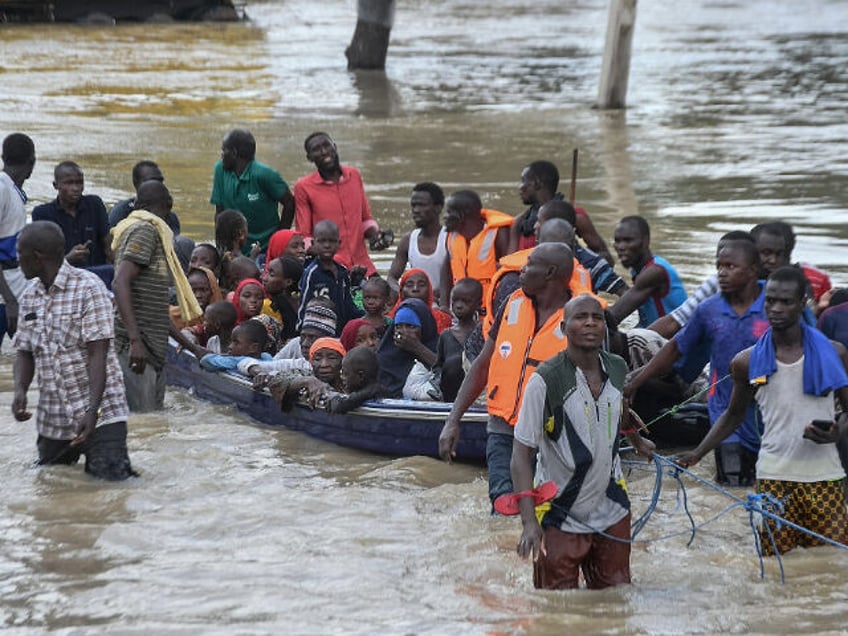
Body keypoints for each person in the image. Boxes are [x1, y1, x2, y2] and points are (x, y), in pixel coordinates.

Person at [676, 266, 848, 555]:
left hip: (824, 475)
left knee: (832, 562)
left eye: (786, 302)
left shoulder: (835, 353)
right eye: (771, 301)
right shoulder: (746, 362)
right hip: (773, 476)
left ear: (803, 301)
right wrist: (697, 454)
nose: (776, 309)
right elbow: (733, 415)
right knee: (775, 562)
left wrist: (836, 433)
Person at [511, 294, 654, 589]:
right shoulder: (545, 380)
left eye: (597, 317)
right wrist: (528, 523)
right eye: (580, 317)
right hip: (559, 510)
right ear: (564, 328)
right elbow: (520, 455)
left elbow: (619, 411)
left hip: (612, 505)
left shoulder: (616, 367)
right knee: (557, 604)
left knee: (615, 597)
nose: (590, 322)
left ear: (605, 327)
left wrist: (637, 442)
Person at [626, 237, 768, 486]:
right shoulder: (708, 309)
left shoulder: (776, 302)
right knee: (735, 487)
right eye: (719, 266)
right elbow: (674, 348)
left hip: (771, 411)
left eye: (730, 267)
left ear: (754, 270)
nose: (722, 273)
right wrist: (636, 380)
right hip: (726, 414)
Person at [439, 243, 575, 505]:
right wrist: (453, 419)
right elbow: (482, 365)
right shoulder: (512, 304)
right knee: (502, 505)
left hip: (550, 437)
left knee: (546, 511)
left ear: (549, 272)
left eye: (529, 265)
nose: (521, 271)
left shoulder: (581, 318)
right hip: (503, 429)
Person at [12, 221, 134, 480]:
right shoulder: (29, 297)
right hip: (54, 416)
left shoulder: (88, 288)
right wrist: (20, 390)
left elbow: (97, 354)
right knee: (50, 482)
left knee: (111, 486)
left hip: (102, 413)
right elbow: (24, 351)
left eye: (20, 252)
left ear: (37, 257)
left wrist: (92, 411)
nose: (16, 259)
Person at [112, 180, 201, 412]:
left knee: (153, 423)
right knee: (141, 423)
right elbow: (120, 283)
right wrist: (135, 341)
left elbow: (156, 310)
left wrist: (194, 349)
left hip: (152, 347)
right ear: (169, 205)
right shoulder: (146, 231)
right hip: (137, 349)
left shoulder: (145, 231)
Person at [294, 132, 388, 278]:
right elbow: (305, 237)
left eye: (327, 145)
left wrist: (377, 237)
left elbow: (365, 219)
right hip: (331, 270)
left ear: (335, 147)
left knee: (387, 296)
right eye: (317, 149)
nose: (324, 151)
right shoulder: (303, 187)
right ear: (310, 158)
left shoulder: (354, 175)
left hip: (364, 267)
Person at [508, 160, 614, 263]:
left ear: (536, 183)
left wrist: (579, 261)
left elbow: (606, 257)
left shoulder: (574, 216)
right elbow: (509, 262)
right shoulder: (519, 222)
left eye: (523, 181)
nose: (520, 187)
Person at [210, 129, 295, 253]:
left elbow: (290, 203)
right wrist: (220, 248)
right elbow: (219, 211)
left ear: (234, 153)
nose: (222, 154)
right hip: (234, 248)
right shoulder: (220, 170)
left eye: (224, 150)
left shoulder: (265, 174)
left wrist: (279, 240)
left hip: (265, 248)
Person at [439, 189, 512, 308]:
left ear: (463, 214)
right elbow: (446, 271)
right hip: (460, 311)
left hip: (491, 310)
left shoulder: (499, 233)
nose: (445, 217)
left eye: (449, 212)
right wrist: (443, 305)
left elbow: (510, 274)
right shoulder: (452, 235)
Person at [610, 215, 687, 328]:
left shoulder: (655, 272)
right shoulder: (639, 271)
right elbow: (645, 321)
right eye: (617, 241)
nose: (621, 247)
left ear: (646, 241)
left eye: (628, 240)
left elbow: (614, 316)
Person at [32, 161, 111, 269]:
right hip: (61, 275)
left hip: (96, 274)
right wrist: (68, 259)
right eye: (69, 183)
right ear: (56, 185)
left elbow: (108, 247)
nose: (75, 188)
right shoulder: (43, 214)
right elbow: (43, 260)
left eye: (79, 183)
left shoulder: (95, 205)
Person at [297, 220, 364, 334]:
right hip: (319, 331)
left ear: (339, 243)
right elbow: (304, 304)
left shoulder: (342, 271)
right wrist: (301, 330)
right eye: (322, 241)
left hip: (341, 330)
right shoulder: (311, 273)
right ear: (313, 244)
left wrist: (365, 317)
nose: (327, 245)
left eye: (332, 241)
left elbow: (348, 303)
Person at [0, 132, 36, 347]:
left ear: (3, 158)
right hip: (6, 299)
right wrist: (11, 300)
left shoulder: (13, 191)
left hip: (15, 293)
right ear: (32, 162)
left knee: (32, 353)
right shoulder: (3, 190)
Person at [387, 182, 448, 302]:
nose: (416, 210)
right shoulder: (408, 240)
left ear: (438, 207)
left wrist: (432, 295)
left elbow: (461, 278)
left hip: (446, 306)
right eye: (413, 206)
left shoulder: (450, 239)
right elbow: (391, 278)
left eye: (421, 205)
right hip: (416, 304)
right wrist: (404, 293)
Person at [751, 221, 832, 306]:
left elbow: (806, 312)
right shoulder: (741, 279)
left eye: (779, 254)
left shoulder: (798, 281)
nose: (773, 260)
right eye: (766, 253)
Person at [377, 298, 440, 398]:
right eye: (398, 326)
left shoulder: (440, 347)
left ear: (424, 327)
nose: (403, 332)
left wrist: (417, 348)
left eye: (411, 326)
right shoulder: (385, 357)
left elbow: (448, 373)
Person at [433, 277, 483, 402]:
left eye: (466, 301)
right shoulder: (446, 335)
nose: (459, 305)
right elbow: (438, 366)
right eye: (455, 301)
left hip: (478, 394)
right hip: (451, 395)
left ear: (478, 304)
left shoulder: (484, 332)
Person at [108, 160, 181, 234]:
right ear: (136, 184)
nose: (157, 184)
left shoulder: (170, 216)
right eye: (151, 180)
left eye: (160, 181)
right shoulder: (120, 212)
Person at [388, 268, 452, 333]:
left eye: (421, 285)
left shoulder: (443, 319)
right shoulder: (389, 320)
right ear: (401, 292)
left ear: (429, 291)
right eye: (409, 285)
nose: (415, 289)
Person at [199, 319, 273, 371]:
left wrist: (221, 356)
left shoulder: (236, 361)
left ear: (253, 348)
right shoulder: (266, 357)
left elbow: (205, 360)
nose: (230, 346)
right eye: (231, 342)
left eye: (236, 342)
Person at [261, 255, 303, 342]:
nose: (264, 278)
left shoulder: (269, 306)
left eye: (271, 274)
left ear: (288, 282)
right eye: (266, 272)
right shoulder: (301, 302)